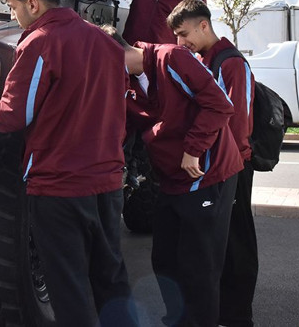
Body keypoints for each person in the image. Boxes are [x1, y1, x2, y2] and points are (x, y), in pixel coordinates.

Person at [0, 0, 136, 327]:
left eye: (14, 7)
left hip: (60, 187)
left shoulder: (39, 41)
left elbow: (12, 116)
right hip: (107, 181)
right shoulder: (104, 41)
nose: (14, 16)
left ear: (32, 4)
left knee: (70, 288)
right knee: (111, 278)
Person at [104, 26, 243, 327]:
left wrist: (193, 149)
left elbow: (221, 105)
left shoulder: (173, 58)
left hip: (206, 172)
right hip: (171, 179)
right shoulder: (124, 85)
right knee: (165, 259)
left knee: (198, 265)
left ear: (114, 52)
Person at [167, 0, 258, 327]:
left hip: (231, 166)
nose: (180, 42)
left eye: (184, 33)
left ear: (204, 25)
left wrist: (221, 160)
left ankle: (238, 316)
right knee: (218, 245)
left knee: (237, 242)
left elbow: (238, 121)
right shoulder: (204, 58)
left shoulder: (231, 62)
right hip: (218, 166)